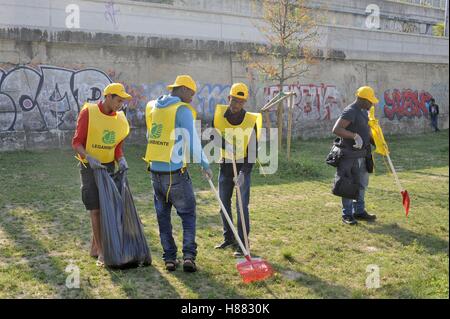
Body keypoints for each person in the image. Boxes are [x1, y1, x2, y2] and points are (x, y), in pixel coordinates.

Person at [143, 75, 212, 272]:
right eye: (191, 92)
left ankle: (170, 259)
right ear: (182, 89)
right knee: (188, 215)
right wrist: (204, 163)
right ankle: (189, 256)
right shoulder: (181, 110)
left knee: (163, 218)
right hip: (175, 174)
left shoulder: (152, 107)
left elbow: (151, 135)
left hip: (155, 173)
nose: (192, 97)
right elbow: (193, 141)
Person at [72, 83, 132, 266]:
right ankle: (102, 252)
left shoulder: (120, 119)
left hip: (108, 166)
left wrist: (120, 159)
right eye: (118, 100)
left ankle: (94, 247)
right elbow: (76, 143)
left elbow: (117, 146)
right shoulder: (88, 113)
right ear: (108, 97)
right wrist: (89, 158)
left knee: (106, 207)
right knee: (96, 209)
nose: (120, 104)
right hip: (90, 167)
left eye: (123, 101)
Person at [211, 83, 262, 257]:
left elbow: (253, 151)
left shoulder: (251, 121)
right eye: (234, 100)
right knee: (223, 204)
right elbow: (213, 136)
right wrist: (227, 145)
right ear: (229, 98)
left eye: (240, 102)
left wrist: (243, 173)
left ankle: (243, 244)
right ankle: (229, 238)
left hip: (243, 168)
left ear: (244, 102)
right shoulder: (219, 115)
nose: (236, 105)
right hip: (225, 165)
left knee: (241, 207)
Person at [332, 86, 377, 225]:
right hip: (349, 156)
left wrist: (378, 143)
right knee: (348, 185)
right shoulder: (350, 111)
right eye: (370, 101)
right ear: (363, 100)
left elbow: (365, 130)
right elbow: (336, 129)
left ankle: (359, 211)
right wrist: (354, 136)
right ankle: (347, 214)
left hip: (362, 155)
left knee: (362, 184)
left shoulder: (363, 111)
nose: (372, 104)